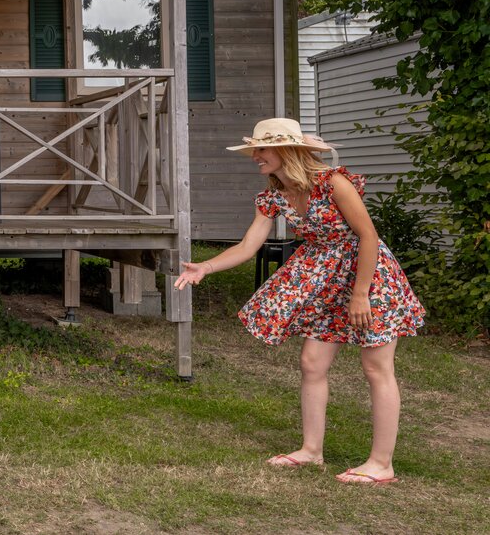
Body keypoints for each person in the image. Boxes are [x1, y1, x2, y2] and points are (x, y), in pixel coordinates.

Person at [174, 118, 425, 485]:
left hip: (369, 277)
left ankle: (381, 464)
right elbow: (248, 246)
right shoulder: (275, 195)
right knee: (311, 363)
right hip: (325, 279)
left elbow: (368, 236)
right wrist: (205, 267)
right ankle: (311, 451)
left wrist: (360, 295)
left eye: (261, 149)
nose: (255, 157)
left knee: (376, 367)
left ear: (285, 150)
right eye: (255, 150)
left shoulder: (333, 183)